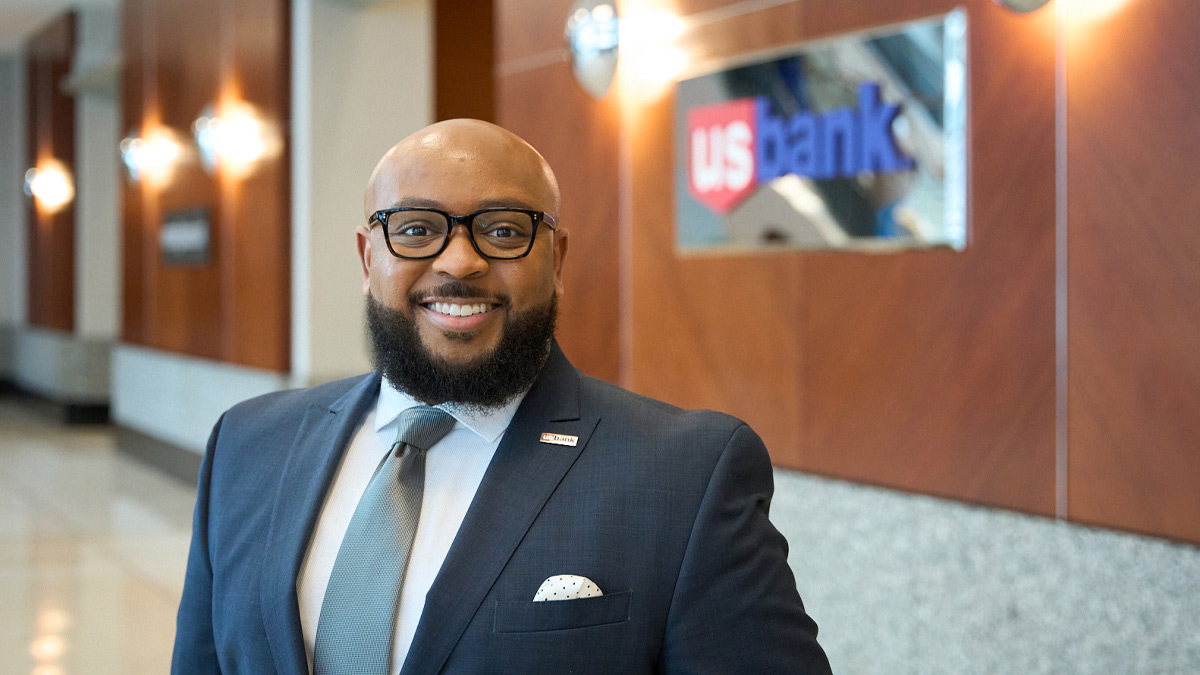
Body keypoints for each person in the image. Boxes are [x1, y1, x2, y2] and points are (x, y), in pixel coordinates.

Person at [171, 119, 832, 674]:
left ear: (558, 258)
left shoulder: (686, 476)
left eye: (505, 230)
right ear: (368, 259)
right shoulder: (248, 445)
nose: (459, 262)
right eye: (415, 228)